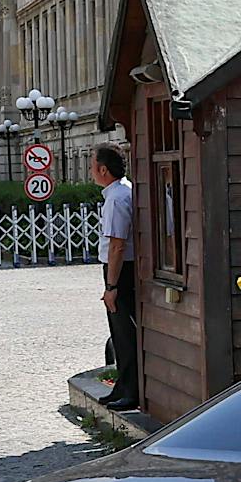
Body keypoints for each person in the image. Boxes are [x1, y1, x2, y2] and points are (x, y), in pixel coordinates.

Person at [91, 144, 139, 411]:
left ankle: (131, 390)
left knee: (124, 333)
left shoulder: (117, 198)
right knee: (120, 332)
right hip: (123, 267)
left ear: (103, 170)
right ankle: (123, 384)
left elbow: (117, 245)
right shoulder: (122, 192)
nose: (91, 172)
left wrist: (111, 285)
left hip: (121, 270)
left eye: (92, 166)